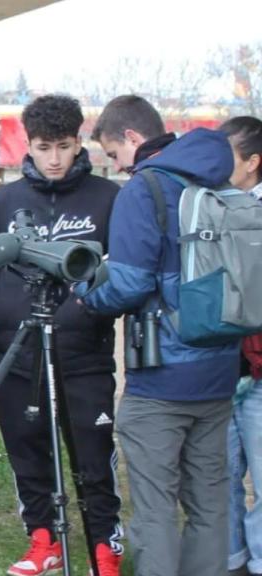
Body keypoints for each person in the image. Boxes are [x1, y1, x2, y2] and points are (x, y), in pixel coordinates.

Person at [78, 95, 240, 576]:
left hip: (162, 378)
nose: (116, 167)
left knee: (155, 506)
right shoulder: (218, 180)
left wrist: (87, 295)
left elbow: (128, 283)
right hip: (219, 367)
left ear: (131, 138)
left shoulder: (144, 189)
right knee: (211, 502)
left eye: (112, 155)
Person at [0, 94, 122, 576]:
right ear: (29, 145)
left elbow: (119, 272)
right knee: (28, 451)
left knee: (94, 458)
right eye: (44, 147)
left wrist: (84, 309)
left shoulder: (109, 198)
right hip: (19, 356)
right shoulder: (4, 201)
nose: (55, 158)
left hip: (85, 357)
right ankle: (43, 539)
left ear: (79, 143)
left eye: (64, 146)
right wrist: (1, 312)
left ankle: (104, 547)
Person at [220, 115, 262, 576]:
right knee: (221, 476)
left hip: (258, 367)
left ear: (252, 162)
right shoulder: (207, 206)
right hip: (220, 367)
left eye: (226, 156)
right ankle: (229, 559)